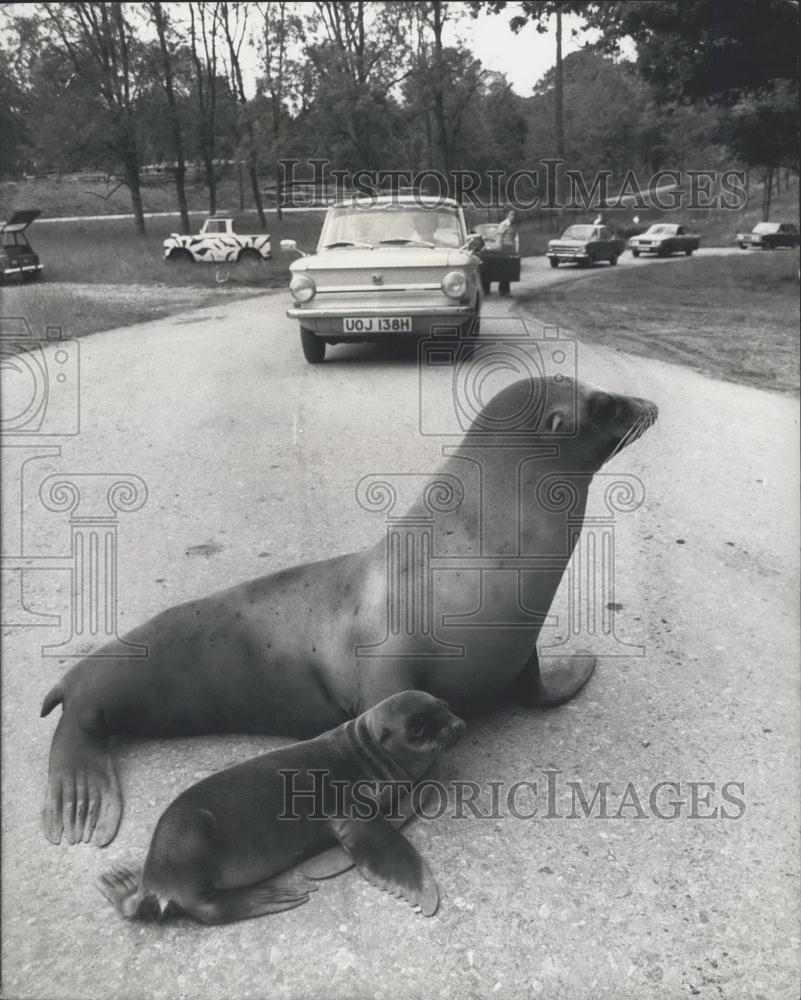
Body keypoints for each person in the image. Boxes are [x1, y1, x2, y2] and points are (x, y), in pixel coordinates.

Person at [495, 208, 520, 296]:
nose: (513, 216)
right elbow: (499, 236)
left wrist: (516, 250)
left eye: (514, 215)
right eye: (511, 214)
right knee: (503, 270)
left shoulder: (514, 226)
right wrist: (499, 248)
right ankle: (503, 291)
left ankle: (506, 290)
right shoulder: (503, 224)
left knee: (509, 270)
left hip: (510, 249)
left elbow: (515, 238)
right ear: (508, 215)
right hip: (504, 249)